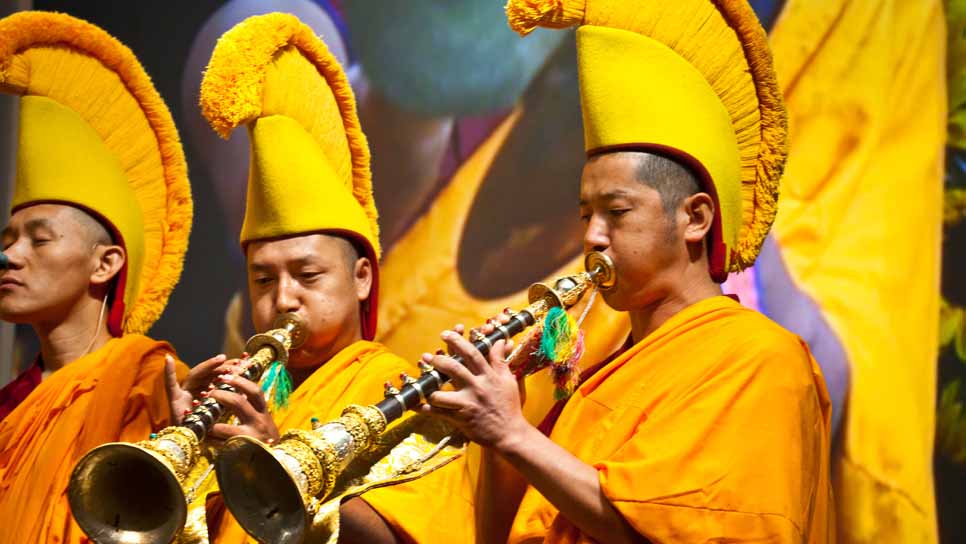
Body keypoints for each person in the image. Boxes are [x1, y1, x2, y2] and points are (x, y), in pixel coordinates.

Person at [420, 1, 834, 542]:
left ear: (695, 217)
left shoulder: (760, 360)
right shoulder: (601, 379)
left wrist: (514, 434)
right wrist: (502, 426)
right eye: (585, 216)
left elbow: (685, 529)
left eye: (616, 213)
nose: (592, 237)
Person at [176, 13, 469, 543]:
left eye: (307, 275)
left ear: (361, 277)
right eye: (262, 280)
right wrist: (185, 444)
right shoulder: (242, 399)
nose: (283, 298)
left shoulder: (400, 392)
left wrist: (275, 461)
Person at [0, 11, 193, 543]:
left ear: (106, 264)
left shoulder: (150, 382)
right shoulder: (13, 405)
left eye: (39, 240)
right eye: (7, 240)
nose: (10, 257)